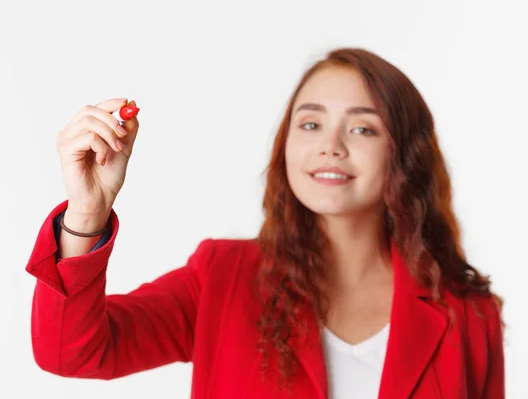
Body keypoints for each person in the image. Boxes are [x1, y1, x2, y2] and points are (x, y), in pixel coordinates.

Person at [25, 48, 505, 398]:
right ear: (286, 146)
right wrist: (87, 213)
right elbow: (72, 352)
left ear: (405, 153)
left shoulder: (468, 313)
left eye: (362, 127)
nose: (330, 146)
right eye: (311, 123)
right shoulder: (223, 276)